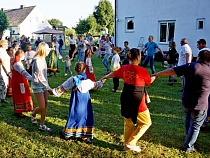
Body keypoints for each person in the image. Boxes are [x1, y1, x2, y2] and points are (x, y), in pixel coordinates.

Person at [152, 49, 210, 152]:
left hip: (186, 101)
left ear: (199, 57)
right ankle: (189, 146)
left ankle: (188, 136)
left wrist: (157, 74)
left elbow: (172, 70)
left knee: (188, 118)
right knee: (196, 125)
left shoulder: (190, 66)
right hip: (200, 103)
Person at [101, 48, 155, 152]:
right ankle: (131, 142)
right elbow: (149, 81)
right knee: (146, 122)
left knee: (128, 123)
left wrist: (105, 77)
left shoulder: (124, 68)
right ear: (138, 57)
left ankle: (127, 147)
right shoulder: (142, 70)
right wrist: (155, 77)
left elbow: (114, 74)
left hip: (125, 97)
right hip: (137, 99)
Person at [50, 62, 105, 143]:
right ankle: (84, 136)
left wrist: (48, 90)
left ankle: (67, 133)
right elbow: (98, 85)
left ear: (75, 69)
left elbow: (59, 90)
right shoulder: (88, 82)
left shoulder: (72, 79)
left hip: (75, 102)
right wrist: (105, 78)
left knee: (73, 116)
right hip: (85, 104)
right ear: (84, 69)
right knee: (85, 117)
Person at [30, 42, 52, 132]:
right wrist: (48, 87)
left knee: (45, 104)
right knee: (42, 106)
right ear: (43, 50)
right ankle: (33, 114)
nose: (48, 52)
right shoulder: (37, 60)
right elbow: (40, 76)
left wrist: (47, 86)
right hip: (38, 85)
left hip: (44, 85)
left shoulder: (43, 58)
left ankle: (42, 124)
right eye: (47, 50)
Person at [12, 50, 33, 117]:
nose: (24, 56)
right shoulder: (17, 64)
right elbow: (23, 72)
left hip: (21, 81)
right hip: (19, 82)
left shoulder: (18, 63)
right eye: (23, 55)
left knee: (23, 94)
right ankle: (19, 111)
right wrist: (32, 78)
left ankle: (24, 108)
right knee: (20, 95)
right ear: (20, 55)